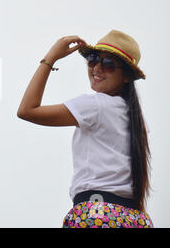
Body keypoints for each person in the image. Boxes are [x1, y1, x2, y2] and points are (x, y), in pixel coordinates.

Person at [16, 29, 153, 228]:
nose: (97, 67)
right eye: (92, 58)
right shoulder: (139, 122)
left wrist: (50, 58)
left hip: (96, 214)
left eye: (108, 64)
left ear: (126, 76)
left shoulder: (96, 105)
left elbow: (27, 110)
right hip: (136, 219)